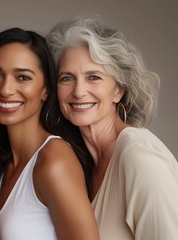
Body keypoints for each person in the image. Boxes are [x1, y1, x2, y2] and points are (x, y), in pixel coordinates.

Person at [47, 16, 178, 239]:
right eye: (67, 78)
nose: (79, 91)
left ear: (119, 90)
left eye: (94, 77)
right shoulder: (79, 163)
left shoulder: (139, 157)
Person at [0, 27, 99, 240]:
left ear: (46, 89)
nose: (5, 89)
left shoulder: (54, 161)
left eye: (23, 77)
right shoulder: (1, 162)